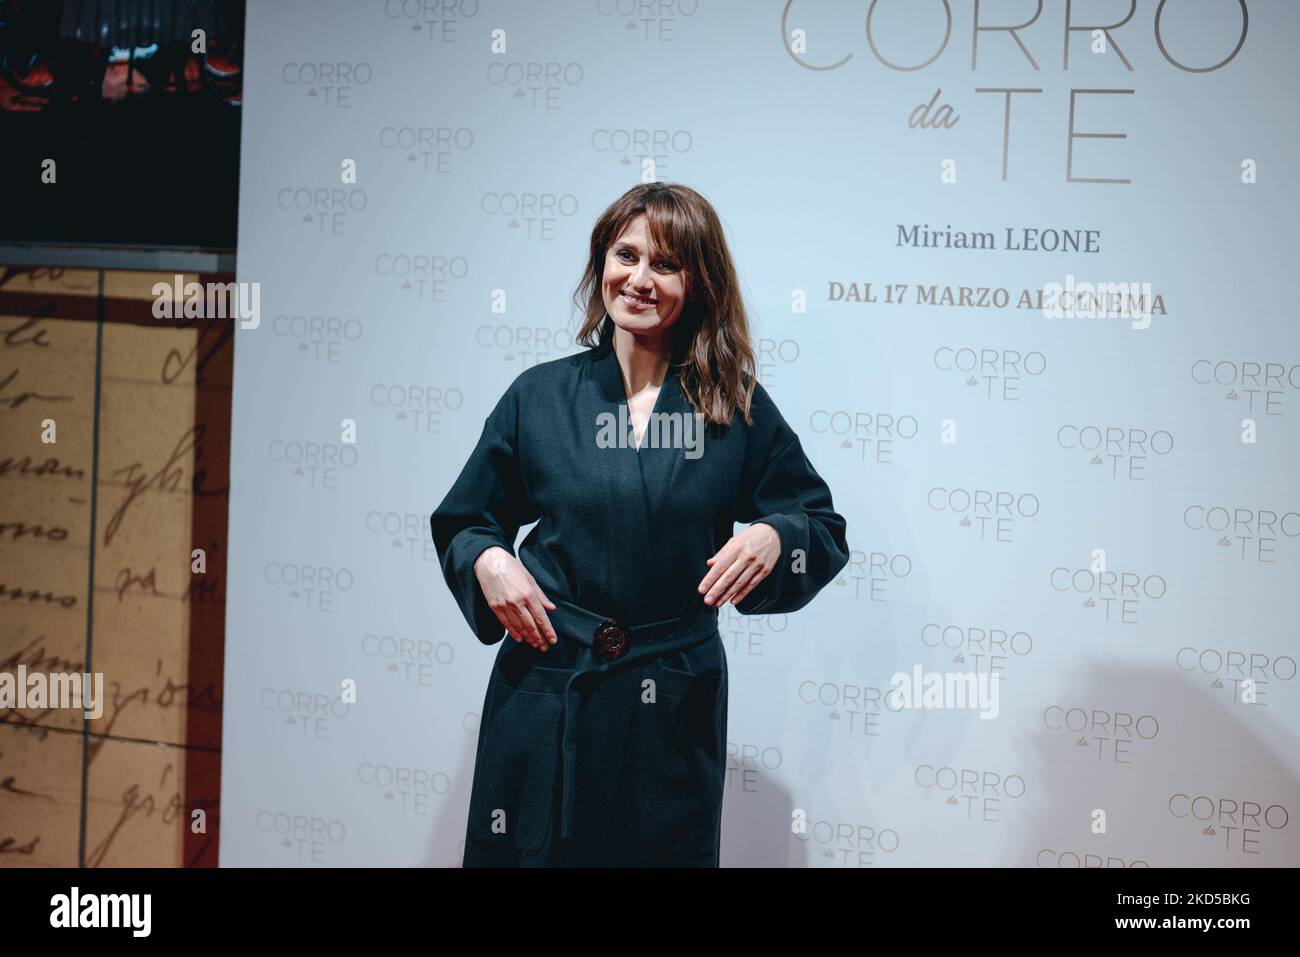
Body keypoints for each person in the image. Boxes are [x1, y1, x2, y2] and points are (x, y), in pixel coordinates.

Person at [431, 181, 849, 867]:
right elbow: (465, 520)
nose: (639, 279)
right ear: (602, 263)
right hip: (545, 693)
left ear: (699, 279)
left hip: (670, 710)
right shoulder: (539, 396)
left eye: (666, 263)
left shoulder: (731, 403)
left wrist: (778, 536)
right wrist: (487, 560)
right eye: (626, 255)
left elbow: (820, 525)